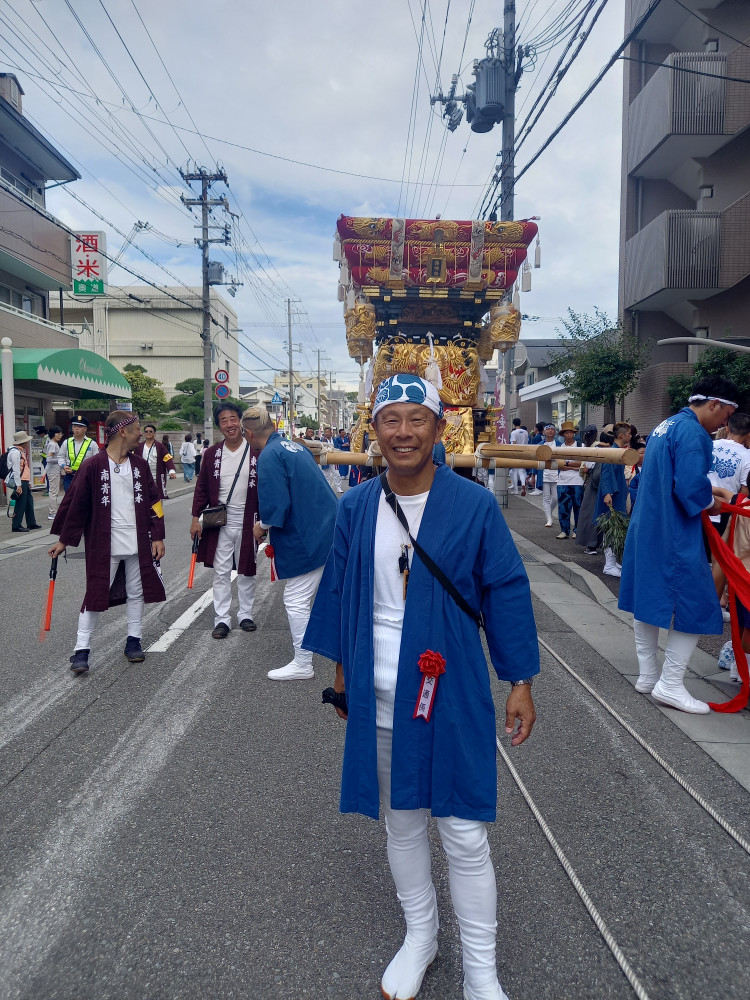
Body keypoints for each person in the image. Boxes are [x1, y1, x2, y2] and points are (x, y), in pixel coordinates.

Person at [303, 373, 539, 1000]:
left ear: (439, 428)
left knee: (463, 828)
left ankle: (481, 968)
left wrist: (519, 679)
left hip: (450, 679)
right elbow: (339, 589)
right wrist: (342, 677)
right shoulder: (355, 507)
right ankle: (421, 936)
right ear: (373, 429)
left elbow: (506, 591)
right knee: (401, 819)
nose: (403, 432)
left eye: (417, 419)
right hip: (377, 681)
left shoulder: (474, 504)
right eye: (390, 419)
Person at [619, 375, 740, 713]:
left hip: (647, 525)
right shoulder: (693, 433)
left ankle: (648, 675)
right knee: (699, 606)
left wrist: (705, 494)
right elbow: (689, 490)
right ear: (714, 404)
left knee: (647, 596)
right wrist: (711, 501)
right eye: (726, 416)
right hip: (673, 532)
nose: (724, 425)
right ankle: (670, 684)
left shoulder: (666, 425)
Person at [48, 411, 166, 676]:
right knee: (95, 594)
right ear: (123, 432)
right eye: (136, 429)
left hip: (138, 542)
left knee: (137, 592)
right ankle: (81, 650)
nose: (140, 433)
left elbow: (154, 501)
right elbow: (76, 506)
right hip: (105, 543)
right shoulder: (93, 466)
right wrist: (64, 541)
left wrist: (157, 535)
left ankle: (133, 641)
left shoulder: (140, 466)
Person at [243, 404, 337, 681]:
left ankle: (303, 663)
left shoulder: (269, 455)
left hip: (307, 535)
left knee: (295, 599)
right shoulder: (292, 447)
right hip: (326, 527)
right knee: (328, 596)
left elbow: (276, 506)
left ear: (248, 433)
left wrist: (259, 527)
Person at [190, 402, 259, 638]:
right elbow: (201, 489)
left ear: (240, 421)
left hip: (249, 520)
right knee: (220, 571)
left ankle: (246, 614)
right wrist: (194, 518)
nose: (229, 424)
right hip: (220, 521)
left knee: (246, 569)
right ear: (219, 426)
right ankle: (222, 619)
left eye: (232, 419)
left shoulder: (255, 451)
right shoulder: (212, 454)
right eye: (223, 421)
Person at [594, 421, 631, 577]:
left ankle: (612, 561)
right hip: (612, 495)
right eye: (629, 433)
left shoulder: (617, 450)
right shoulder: (612, 451)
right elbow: (606, 474)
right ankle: (609, 565)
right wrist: (607, 493)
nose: (631, 436)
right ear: (621, 435)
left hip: (617, 493)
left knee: (615, 528)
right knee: (611, 528)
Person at [4, 431, 42, 532]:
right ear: (23, 442)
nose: (27, 443)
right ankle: (16, 525)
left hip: (24, 480)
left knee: (29, 502)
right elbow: (16, 470)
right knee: (21, 503)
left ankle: (31, 522)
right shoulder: (16, 453)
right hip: (20, 481)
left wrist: (28, 482)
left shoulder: (19, 451)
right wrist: (18, 485)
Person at [554, 420, 584, 539]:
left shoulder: (581, 446)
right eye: (566, 433)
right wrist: (573, 465)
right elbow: (558, 465)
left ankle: (577, 530)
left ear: (574, 433)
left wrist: (567, 464)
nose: (569, 435)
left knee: (578, 507)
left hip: (578, 481)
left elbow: (582, 463)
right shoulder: (559, 448)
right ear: (563, 434)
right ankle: (564, 530)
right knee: (563, 507)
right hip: (562, 480)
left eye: (571, 432)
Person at [59, 415, 99, 491]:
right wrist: (64, 466)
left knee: (83, 500)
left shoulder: (92, 444)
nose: (76, 428)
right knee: (69, 500)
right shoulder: (66, 442)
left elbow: (96, 461)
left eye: (80, 426)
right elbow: (61, 457)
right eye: (74, 426)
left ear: (85, 429)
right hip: (69, 477)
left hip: (85, 477)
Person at [140, 424, 177, 500]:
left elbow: (167, 458)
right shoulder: (139, 447)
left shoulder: (160, 446)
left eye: (151, 431)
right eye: (146, 431)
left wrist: (171, 470)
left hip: (157, 475)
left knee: (158, 495)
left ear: (154, 434)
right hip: (144, 475)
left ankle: (157, 511)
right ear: (144, 434)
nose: (148, 433)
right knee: (144, 495)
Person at [540, 422, 560, 526]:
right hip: (544, 473)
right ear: (544, 431)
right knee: (546, 497)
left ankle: (549, 512)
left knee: (556, 498)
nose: (550, 431)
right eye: (548, 429)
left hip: (556, 473)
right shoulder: (540, 445)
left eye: (552, 429)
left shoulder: (559, 444)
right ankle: (549, 519)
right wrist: (533, 475)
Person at [45, 426, 63, 520]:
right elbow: (49, 459)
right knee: (53, 492)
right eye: (58, 433)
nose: (60, 435)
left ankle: (53, 511)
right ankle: (52, 512)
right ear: (53, 434)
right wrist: (60, 460)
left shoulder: (53, 443)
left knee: (54, 491)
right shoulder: (53, 444)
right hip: (53, 470)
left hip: (54, 470)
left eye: (61, 433)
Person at [509, 417, 529, 495]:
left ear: (513, 424)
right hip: (524, 452)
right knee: (522, 471)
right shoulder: (525, 432)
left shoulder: (513, 433)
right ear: (520, 423)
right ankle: (523, 484)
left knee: (514, 471)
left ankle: (516, 490)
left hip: (516, 453)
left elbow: (514, 443)